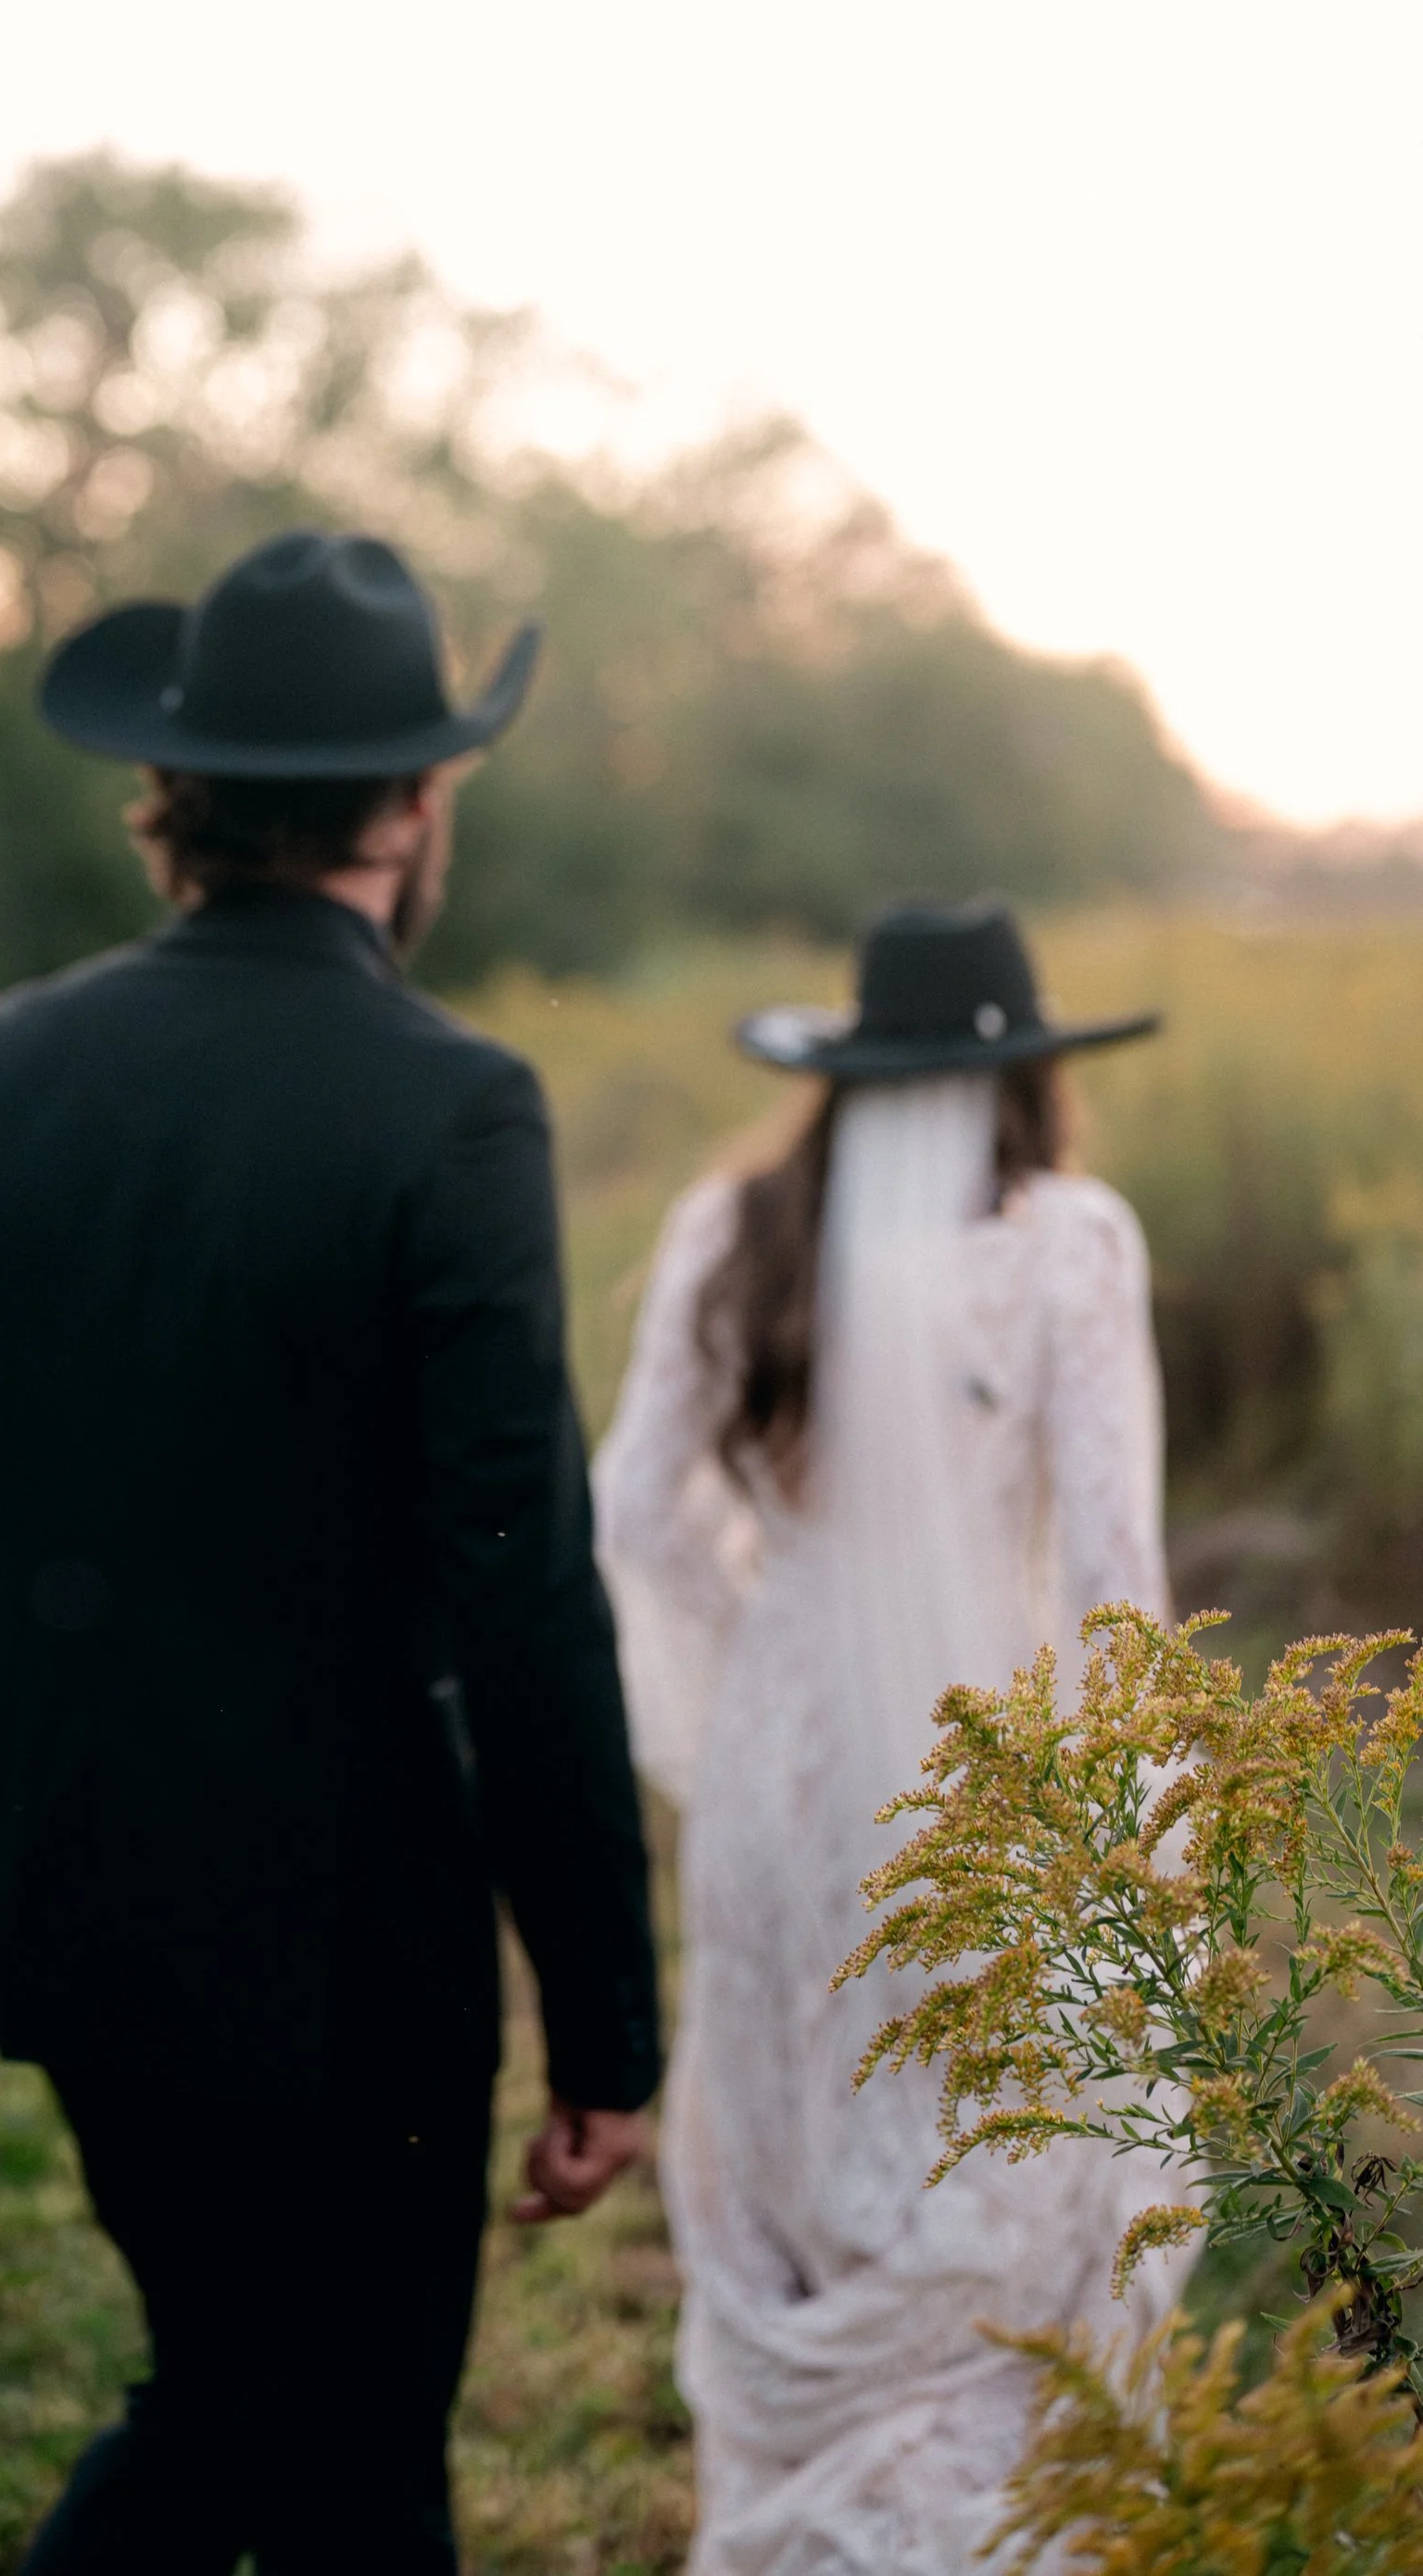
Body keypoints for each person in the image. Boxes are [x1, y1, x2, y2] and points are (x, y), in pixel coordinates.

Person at [0, 527, 661, 2576]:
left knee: (223, 2386)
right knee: (339, 2448)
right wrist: (602, 2020)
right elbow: (522, 1586)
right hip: (354, 1952)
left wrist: (7, 1866)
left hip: (79, 1901)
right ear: (414, 805)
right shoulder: (450, 1106)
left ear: (174, 794)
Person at [594, 898, 1187, 2576]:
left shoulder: (733, 1227)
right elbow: (1111, 1572)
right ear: (1033, 1076)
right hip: (983, 1768)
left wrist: (753, 1663)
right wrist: (1147, 1824)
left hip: (781, 1768)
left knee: (790, 2163)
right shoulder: (1072, 1244)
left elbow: (633, 1515)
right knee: (981, 2174)